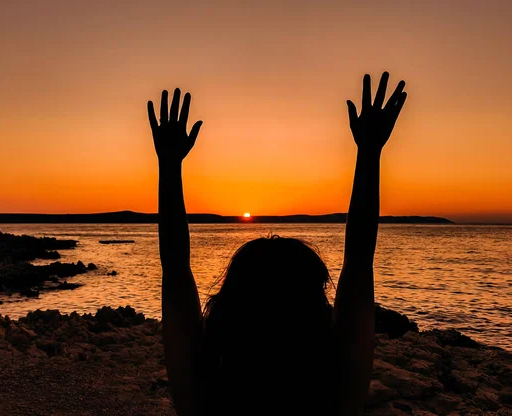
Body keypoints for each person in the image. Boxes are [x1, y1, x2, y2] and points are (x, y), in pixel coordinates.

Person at [147, 72, 407, 416]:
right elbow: (358, 265)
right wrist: (369, 151)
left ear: (230, 301)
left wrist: (169, 165)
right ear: (313, 307)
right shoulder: (335, 390)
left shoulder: (205, 391)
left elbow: (176, 271)